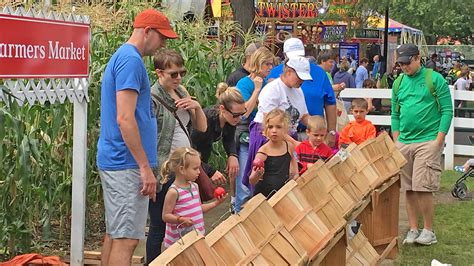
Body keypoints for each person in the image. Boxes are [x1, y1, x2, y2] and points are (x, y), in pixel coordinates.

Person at [96, 9, 177, 266]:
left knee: (115, 234)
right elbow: (125, 118)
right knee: (127, 240)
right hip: (126, 162)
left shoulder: (126, 57)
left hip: (120, 160)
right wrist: (144, 166)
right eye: (162, 37)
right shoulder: (131, 60)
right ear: (147, 31)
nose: (163, 44)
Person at [146, 49, 207, 264]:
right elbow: (148, 136)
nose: (179, 77)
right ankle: (154, 261)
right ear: (159, 73)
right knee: (159, 224)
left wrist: (196, 107)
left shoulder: (181, 91)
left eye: (182, 72)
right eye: (173, 74)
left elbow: (201, 127)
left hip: (183, 166)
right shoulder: (152, 98)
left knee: (182, 219)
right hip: (164, 168)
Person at [391, 44, 453, 246]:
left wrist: (439, 139)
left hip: (428, 140)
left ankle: (428, 230)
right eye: (401, 64)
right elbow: (395, 113)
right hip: (405, 141)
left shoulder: (434, 79)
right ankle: (413, 228)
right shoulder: (398, 83)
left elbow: (446, 110)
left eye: (407, 63)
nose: (404, 67)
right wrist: (397, 136)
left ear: (418, 58)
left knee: (423, 186)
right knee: (408, 188)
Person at [243, 56, 311, 191]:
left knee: (287, 177)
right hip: (268, 136)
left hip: (288, 138)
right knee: (266, 177)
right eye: (300, 77)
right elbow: (270, 124)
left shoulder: (298, 90)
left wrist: (318, 129)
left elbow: (304, 116)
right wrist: (294, 143)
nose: (302, 81)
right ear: (289, 72)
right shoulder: (272, 89)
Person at [266, 38, 337, 148]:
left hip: (312, 133)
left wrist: (331, 131)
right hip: (281, 135)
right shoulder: (275, 75)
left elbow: (330, 102)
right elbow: (267, 114)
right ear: (285, 55)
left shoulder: (319, 73)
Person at [191, 84, 246, 211]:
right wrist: (210, 171)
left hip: (200, 160)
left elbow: (229, 138)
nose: (239, 118)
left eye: (242, 113)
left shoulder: (230, 119)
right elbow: (190, 150)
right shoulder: (206, 121)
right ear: (222, 108)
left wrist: (232, 155)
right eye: (236, 115)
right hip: (191, 161)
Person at [233, 46, 274, 212]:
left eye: (271, 64)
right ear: (258, 63)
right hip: (246, 136)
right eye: (267, 64)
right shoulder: (244, 83)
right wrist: (257, 90)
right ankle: (239, 216)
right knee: (244, 181)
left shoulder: (268, 84)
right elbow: (244, 112)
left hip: (263, 137)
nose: (270, 68)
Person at [161, 147, 226, 249]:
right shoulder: (174, 192)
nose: (199, 172)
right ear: (182, 169)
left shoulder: (195, 186)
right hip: (179, 243)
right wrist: (180, 219)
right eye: (195, 168)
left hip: (196, 238)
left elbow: (198, 208)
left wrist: (216, 203)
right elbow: (165, 216)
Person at [249, 109, 298, 198]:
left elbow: (295, 172)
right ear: (266, 129)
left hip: (283, 194)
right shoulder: (263, 152)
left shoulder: (289, 146)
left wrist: (294, 181)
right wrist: (257, 174)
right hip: (265, 196)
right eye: (270, 127)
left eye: (278, 127)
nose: (274, 130)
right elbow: (252, 181)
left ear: (286, 128)